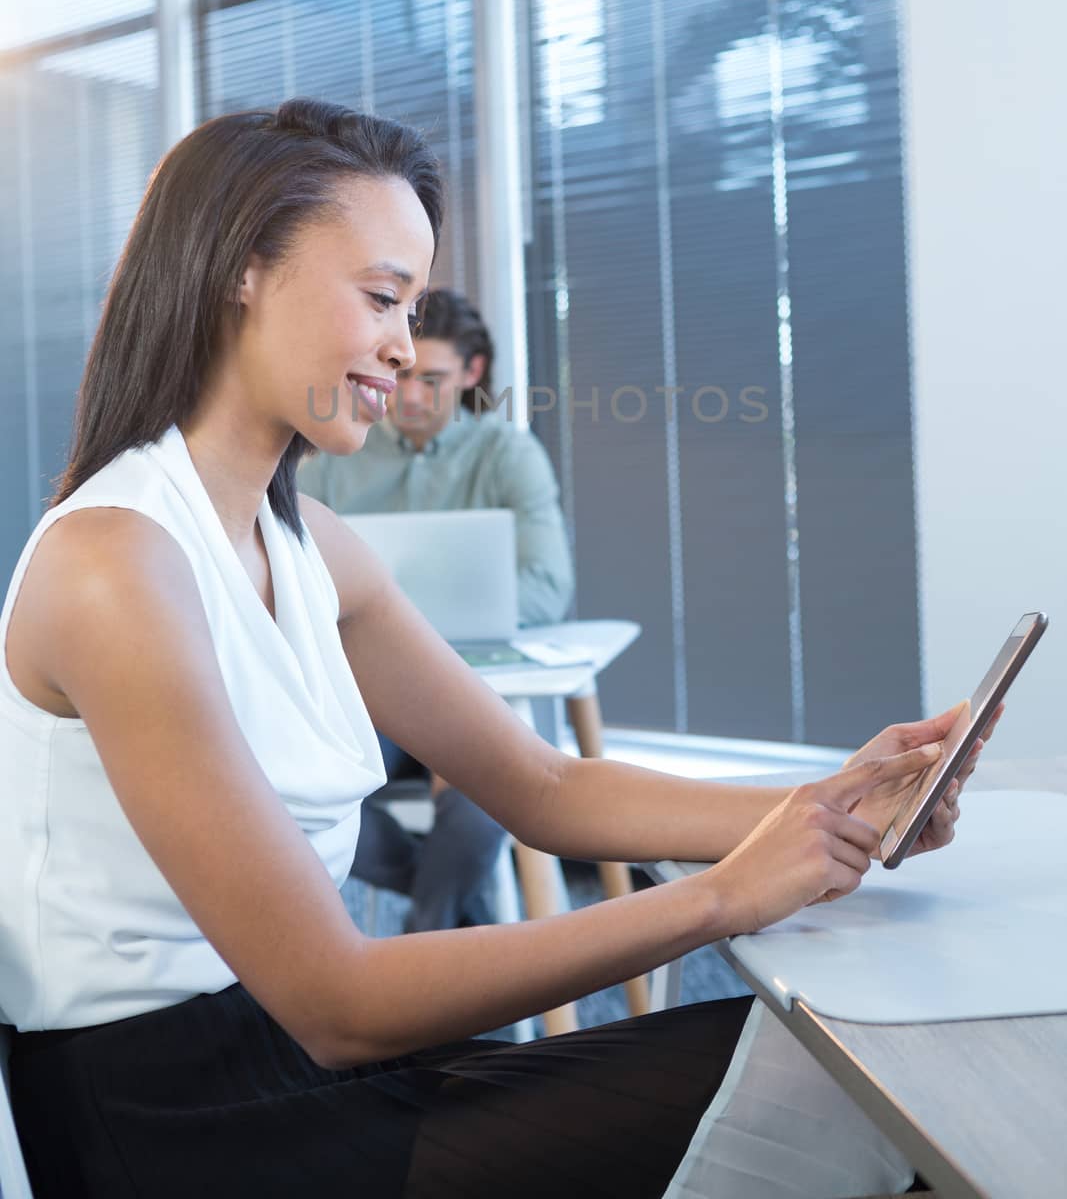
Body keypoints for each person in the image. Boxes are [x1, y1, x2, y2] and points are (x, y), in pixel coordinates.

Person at [0, 98, 985, 1199]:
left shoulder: (311, 543)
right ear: (240, 267)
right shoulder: (114, 564)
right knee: (825, 1091)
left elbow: (545, 785)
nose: (402, 345)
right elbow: (336, 1000)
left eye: (411, 306)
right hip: (186, 1127)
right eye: (379, 297)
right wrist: (722, 897)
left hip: (310, 1074)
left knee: (827, 1078)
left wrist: (837, 803)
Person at [299, 288, 573, 932]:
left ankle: (421, 947)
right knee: (295, 787)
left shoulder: (509, 455)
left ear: (472, 374)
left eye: (434, 379)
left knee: (482, 800)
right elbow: (295, 577)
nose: (411, 395)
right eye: (401, 373)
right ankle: (442, 915)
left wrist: (396, 624)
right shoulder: (334, 454)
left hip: (476, 686)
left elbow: (546, 584)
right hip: (367, 696)